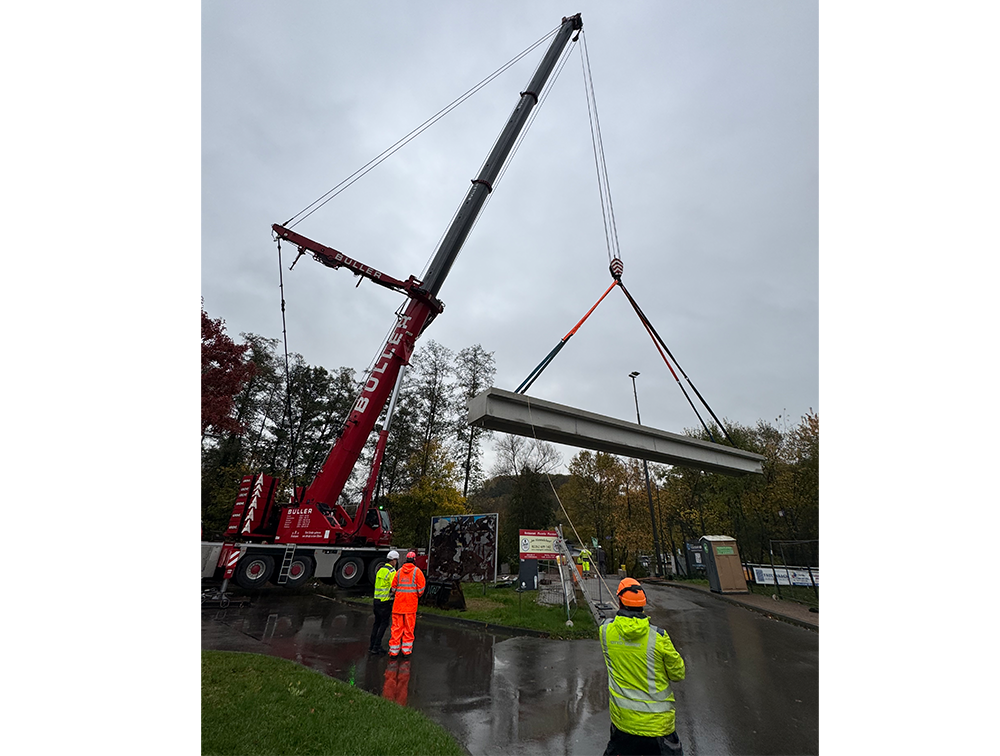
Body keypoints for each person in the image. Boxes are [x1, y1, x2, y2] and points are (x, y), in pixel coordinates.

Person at [600, 578, 686, 756]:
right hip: (659, 728)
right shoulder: (659, 638)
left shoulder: (606, 633)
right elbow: (678, 674)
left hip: (623, 725)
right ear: (643, 604)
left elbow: (610, 625)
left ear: (619, 602)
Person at [388, 550, 426, 657]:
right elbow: (421, 590)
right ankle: (406, 651)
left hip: (398, 606)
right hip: (410, 606)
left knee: (396, 629)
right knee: (409, 629)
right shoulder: (417, 572)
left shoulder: (399, 572)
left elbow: (393, 589)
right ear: (414, 560)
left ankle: (394, 652)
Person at [369, 549, 399, 654]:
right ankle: (377, 646)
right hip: (385, 602)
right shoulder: (392, 572)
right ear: (393, 561)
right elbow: (394, 587)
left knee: (376, 623)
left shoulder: (381, 570)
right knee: (384, 624)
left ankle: (372, 645)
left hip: (376, 600)